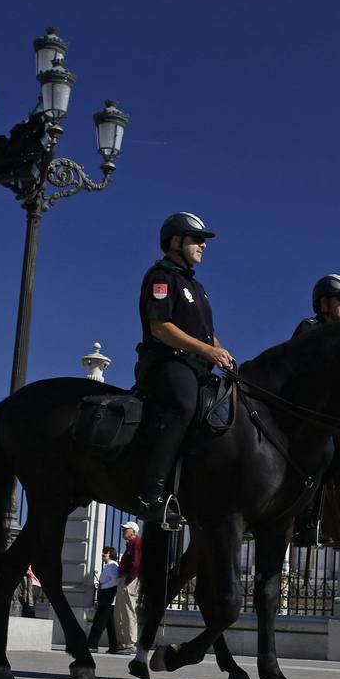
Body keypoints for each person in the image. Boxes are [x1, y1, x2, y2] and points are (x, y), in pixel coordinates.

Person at [135, 211, 234, 531]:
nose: (202, 246)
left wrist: (224, 354)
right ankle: (151, 495)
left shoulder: (197, 286)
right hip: (169, 362)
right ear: (175, 241)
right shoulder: (161, 276)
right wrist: (208, 350)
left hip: (198, 365)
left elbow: (207, 334)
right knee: (182, 406)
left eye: (203, 241)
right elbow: (161, 328)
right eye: (196, 239)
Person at [290, 274, 340, 546]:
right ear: (323, 303)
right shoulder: (309, 329)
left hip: (331, 416)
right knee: (325, 450)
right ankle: (305, 520)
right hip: (303, 413)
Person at [112, 521, 141, 653]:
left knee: (128, 611)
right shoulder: (131, 544)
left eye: (126, 529)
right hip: (126, 579)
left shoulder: (136, 543)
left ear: (133, 532)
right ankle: (123, 643)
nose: (123, 530)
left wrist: (129, 579)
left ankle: (129, 642)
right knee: (120, 612)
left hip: (129, 580)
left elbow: (137, 564)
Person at [86, 546, 120, 653]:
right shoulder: (108, 566)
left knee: (99, 622)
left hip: (107, 597)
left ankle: (92, 645)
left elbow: (115, 581)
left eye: (105, 553)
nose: (102, 554)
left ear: (110, 554)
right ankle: (114, 646)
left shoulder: (112, 566)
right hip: (107, 598)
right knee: (110, 625)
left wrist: (103, 586)